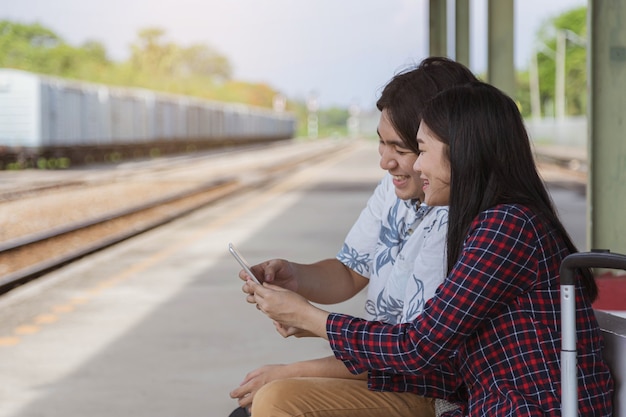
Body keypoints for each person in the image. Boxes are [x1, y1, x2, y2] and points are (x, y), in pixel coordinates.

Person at [248, 82, 614, 417]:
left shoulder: (507, 226)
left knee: (277, 402)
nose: (416, 165)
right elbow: (437, 357)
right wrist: (313, 328)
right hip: (491, 403)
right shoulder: (491, 222)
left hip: (524, 409)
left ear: (463, 152)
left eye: (420, 151)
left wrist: (313, 319)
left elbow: (418, 346)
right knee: (279, 399)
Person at [228, 57, 479, 417]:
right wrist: (296, 278)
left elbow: (410, 352)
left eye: (404, 150)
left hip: (423, 385)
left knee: (274, 400)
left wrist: (305, 338)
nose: (385, 162)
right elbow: (350, 271)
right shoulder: (395, 189)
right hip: (385, 366)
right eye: (381, 143)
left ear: (446, 143)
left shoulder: (461, 221)